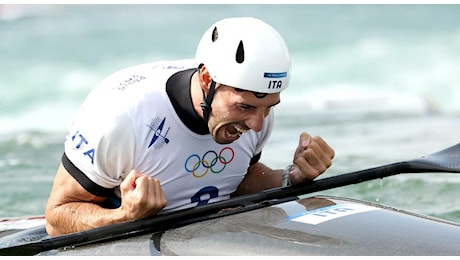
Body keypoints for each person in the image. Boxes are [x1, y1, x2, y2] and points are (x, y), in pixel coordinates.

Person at [45, 17, 335, 237]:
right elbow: (56, 219)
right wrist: (125, 215)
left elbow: (236, 179)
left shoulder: (255, 113)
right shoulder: (121, 117)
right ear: (207, 80)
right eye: (245, 107)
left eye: (269, 107)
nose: (257, 123)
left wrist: (287, 179)